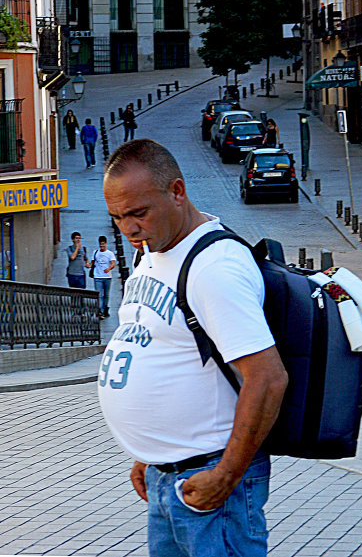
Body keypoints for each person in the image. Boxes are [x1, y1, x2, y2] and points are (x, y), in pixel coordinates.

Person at [99, 139, 287, 557]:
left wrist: (227, 475)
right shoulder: (152, 254)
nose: (128, 229)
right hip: (169, 477)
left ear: (177, 192)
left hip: (209, 479)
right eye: (117, 218)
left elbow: (268, 378)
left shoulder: (215, 267)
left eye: (137, 213)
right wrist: (154, 452)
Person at [91, 236, 116, 318]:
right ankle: (100, 311)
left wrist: (108, 269)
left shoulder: (110, 254)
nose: (101, 246)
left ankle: (105, 309)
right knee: (99, 294)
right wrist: (88, 265)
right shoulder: (95, 252)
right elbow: (92, 263)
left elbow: (113, 264)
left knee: (106, 295)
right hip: (97, 276)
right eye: (100, 244)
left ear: (106, 243)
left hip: (107, 277)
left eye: (103, 244)